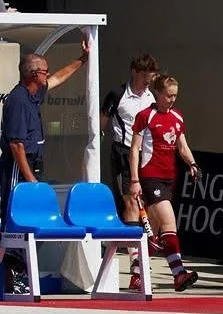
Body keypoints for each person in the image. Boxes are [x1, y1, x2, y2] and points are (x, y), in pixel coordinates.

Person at [0, 40, 90, 294]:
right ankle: (14, 275)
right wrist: (30, 181)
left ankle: (21, 273)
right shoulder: (17, 100)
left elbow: (58, 79)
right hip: (20, 170)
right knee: (14, 220)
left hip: (33, 168)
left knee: (29, 221)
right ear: (32, 75)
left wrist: (82, 59)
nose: (47, 75)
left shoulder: (34, 94)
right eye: (43, 71)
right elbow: (16, 145)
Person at [129, 74, 199, 292]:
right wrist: (134, 180)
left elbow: (182, 146)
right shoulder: (145, 116)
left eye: (175, 96)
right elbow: (134, 150)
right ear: (157, 94)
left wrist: (193, 164)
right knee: (169, 222)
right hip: (150, 176)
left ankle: (136, 275)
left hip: (169, 178)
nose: (172, 100)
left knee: (154, 231)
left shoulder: (177, 117)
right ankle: (179, 273)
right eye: (168, 95)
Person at [101, 53, 158, 291]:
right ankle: (136, 262)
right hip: (123, 153)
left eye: (151, 77)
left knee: (150, 204)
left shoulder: (151, 97)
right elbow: (102, 121)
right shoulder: (118, 94)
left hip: (146, 154)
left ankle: (142, 259)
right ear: (134, 71)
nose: (148, 81)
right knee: (130, 203)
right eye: (145, 76)